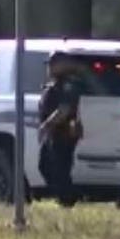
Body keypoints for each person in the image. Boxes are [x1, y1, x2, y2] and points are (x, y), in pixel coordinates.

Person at [37, 52, 84, 207]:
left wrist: (47, 124)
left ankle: (67, 200)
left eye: (52, 64)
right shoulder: (56, 84)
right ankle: (64, 197)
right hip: (54, 133)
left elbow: (65, 108)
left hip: (63, 133)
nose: (49, 68)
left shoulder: (68, 85)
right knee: (45, 166)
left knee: (60, 168)